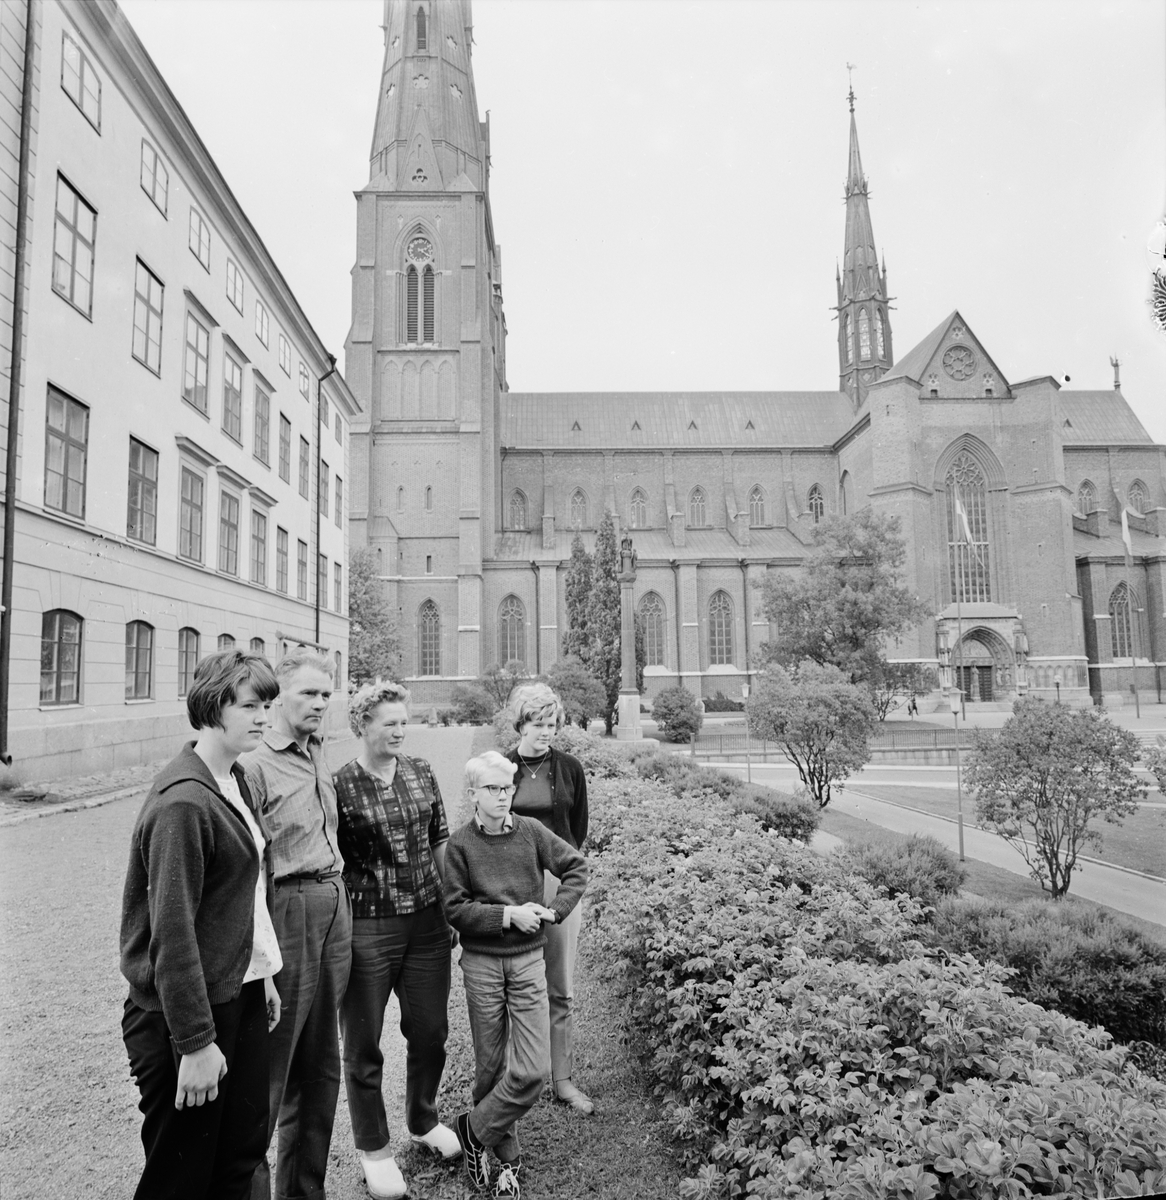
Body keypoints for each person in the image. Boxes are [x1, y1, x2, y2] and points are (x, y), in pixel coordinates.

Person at [120, 651, 282, 1200]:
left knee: (238, 1160)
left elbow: (241, 897)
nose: (264, 717)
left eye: (268, 706)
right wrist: (194, 1043)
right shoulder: (184, 802)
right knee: (182, 1179)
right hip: (184, 1016)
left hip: (238, 994)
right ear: (214, 706)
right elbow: (172, 932)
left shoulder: (233, 779)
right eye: (251, 706)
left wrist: (264, 974)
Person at [334, 681, 460, 1199]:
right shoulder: (340, 784)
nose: (399, 730)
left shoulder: (421, 771)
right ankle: (374, 1148)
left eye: (404, 722)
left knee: (430, 1033)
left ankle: (423, 1119)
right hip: (370, 927)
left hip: (428, 924)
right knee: (363, 1043)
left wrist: (452, 906)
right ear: (362, 725)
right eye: (389, 723)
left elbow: (440, 840)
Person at [443, 751, 588, 1199]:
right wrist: (508, 915)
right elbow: (455, 908)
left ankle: (472, 1129)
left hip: (527, 963)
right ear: (473, 795)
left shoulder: (531, 832)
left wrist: (554, 910)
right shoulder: (461, 845)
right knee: (489, 1067)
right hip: (483, 965)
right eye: (492, 788)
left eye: (507, 788)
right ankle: (507, 1162)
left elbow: (576, 867)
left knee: (532, 1071)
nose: (503, 796)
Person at [241, 649, 352, 1200]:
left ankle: (305, 1193)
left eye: (327, 695)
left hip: (333, 908)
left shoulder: (316, 753)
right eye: (309, 693)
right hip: (286, 911)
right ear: (277, 698)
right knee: (269, 1072)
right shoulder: (255, 767)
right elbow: (245, 871)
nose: (321, 704)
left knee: (320, 1067)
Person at [503, 683, 593, 1114]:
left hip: (558, 885)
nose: (545, 732)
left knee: (560, 985)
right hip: (511, 886)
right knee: (514, 983)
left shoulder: (570, 768)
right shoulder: (501, 766)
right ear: (520, 724)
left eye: (552, 724)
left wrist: (561, 880)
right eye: (537, 724)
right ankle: (515, 1077)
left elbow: (577, 830)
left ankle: (563, 1080)